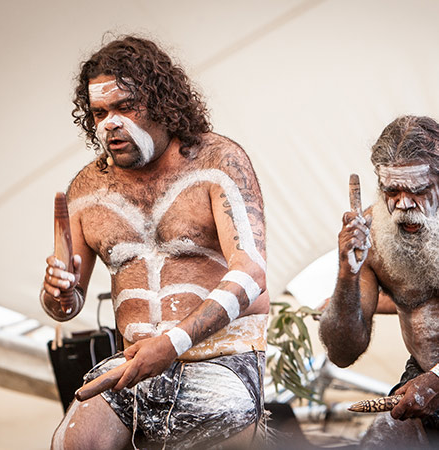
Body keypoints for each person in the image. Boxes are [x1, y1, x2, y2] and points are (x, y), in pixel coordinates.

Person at [40, 35, 269, 450]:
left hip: (221, 360)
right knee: (72, 443)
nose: (110, 123)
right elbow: (67, 305)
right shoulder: (87, 190)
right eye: (99, 113)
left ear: (163, 102)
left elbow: (251, 272)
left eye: (125, 107)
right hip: (133, 365)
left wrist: (171, 344)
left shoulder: (217, 162)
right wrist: (58, 293)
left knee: (209, 430)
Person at [319, 115, 439, 448]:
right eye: (392, 191)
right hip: (421, 377)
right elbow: (343, 353)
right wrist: (347, 272)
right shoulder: (371, 233)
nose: (403, 204)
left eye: (418, 191)